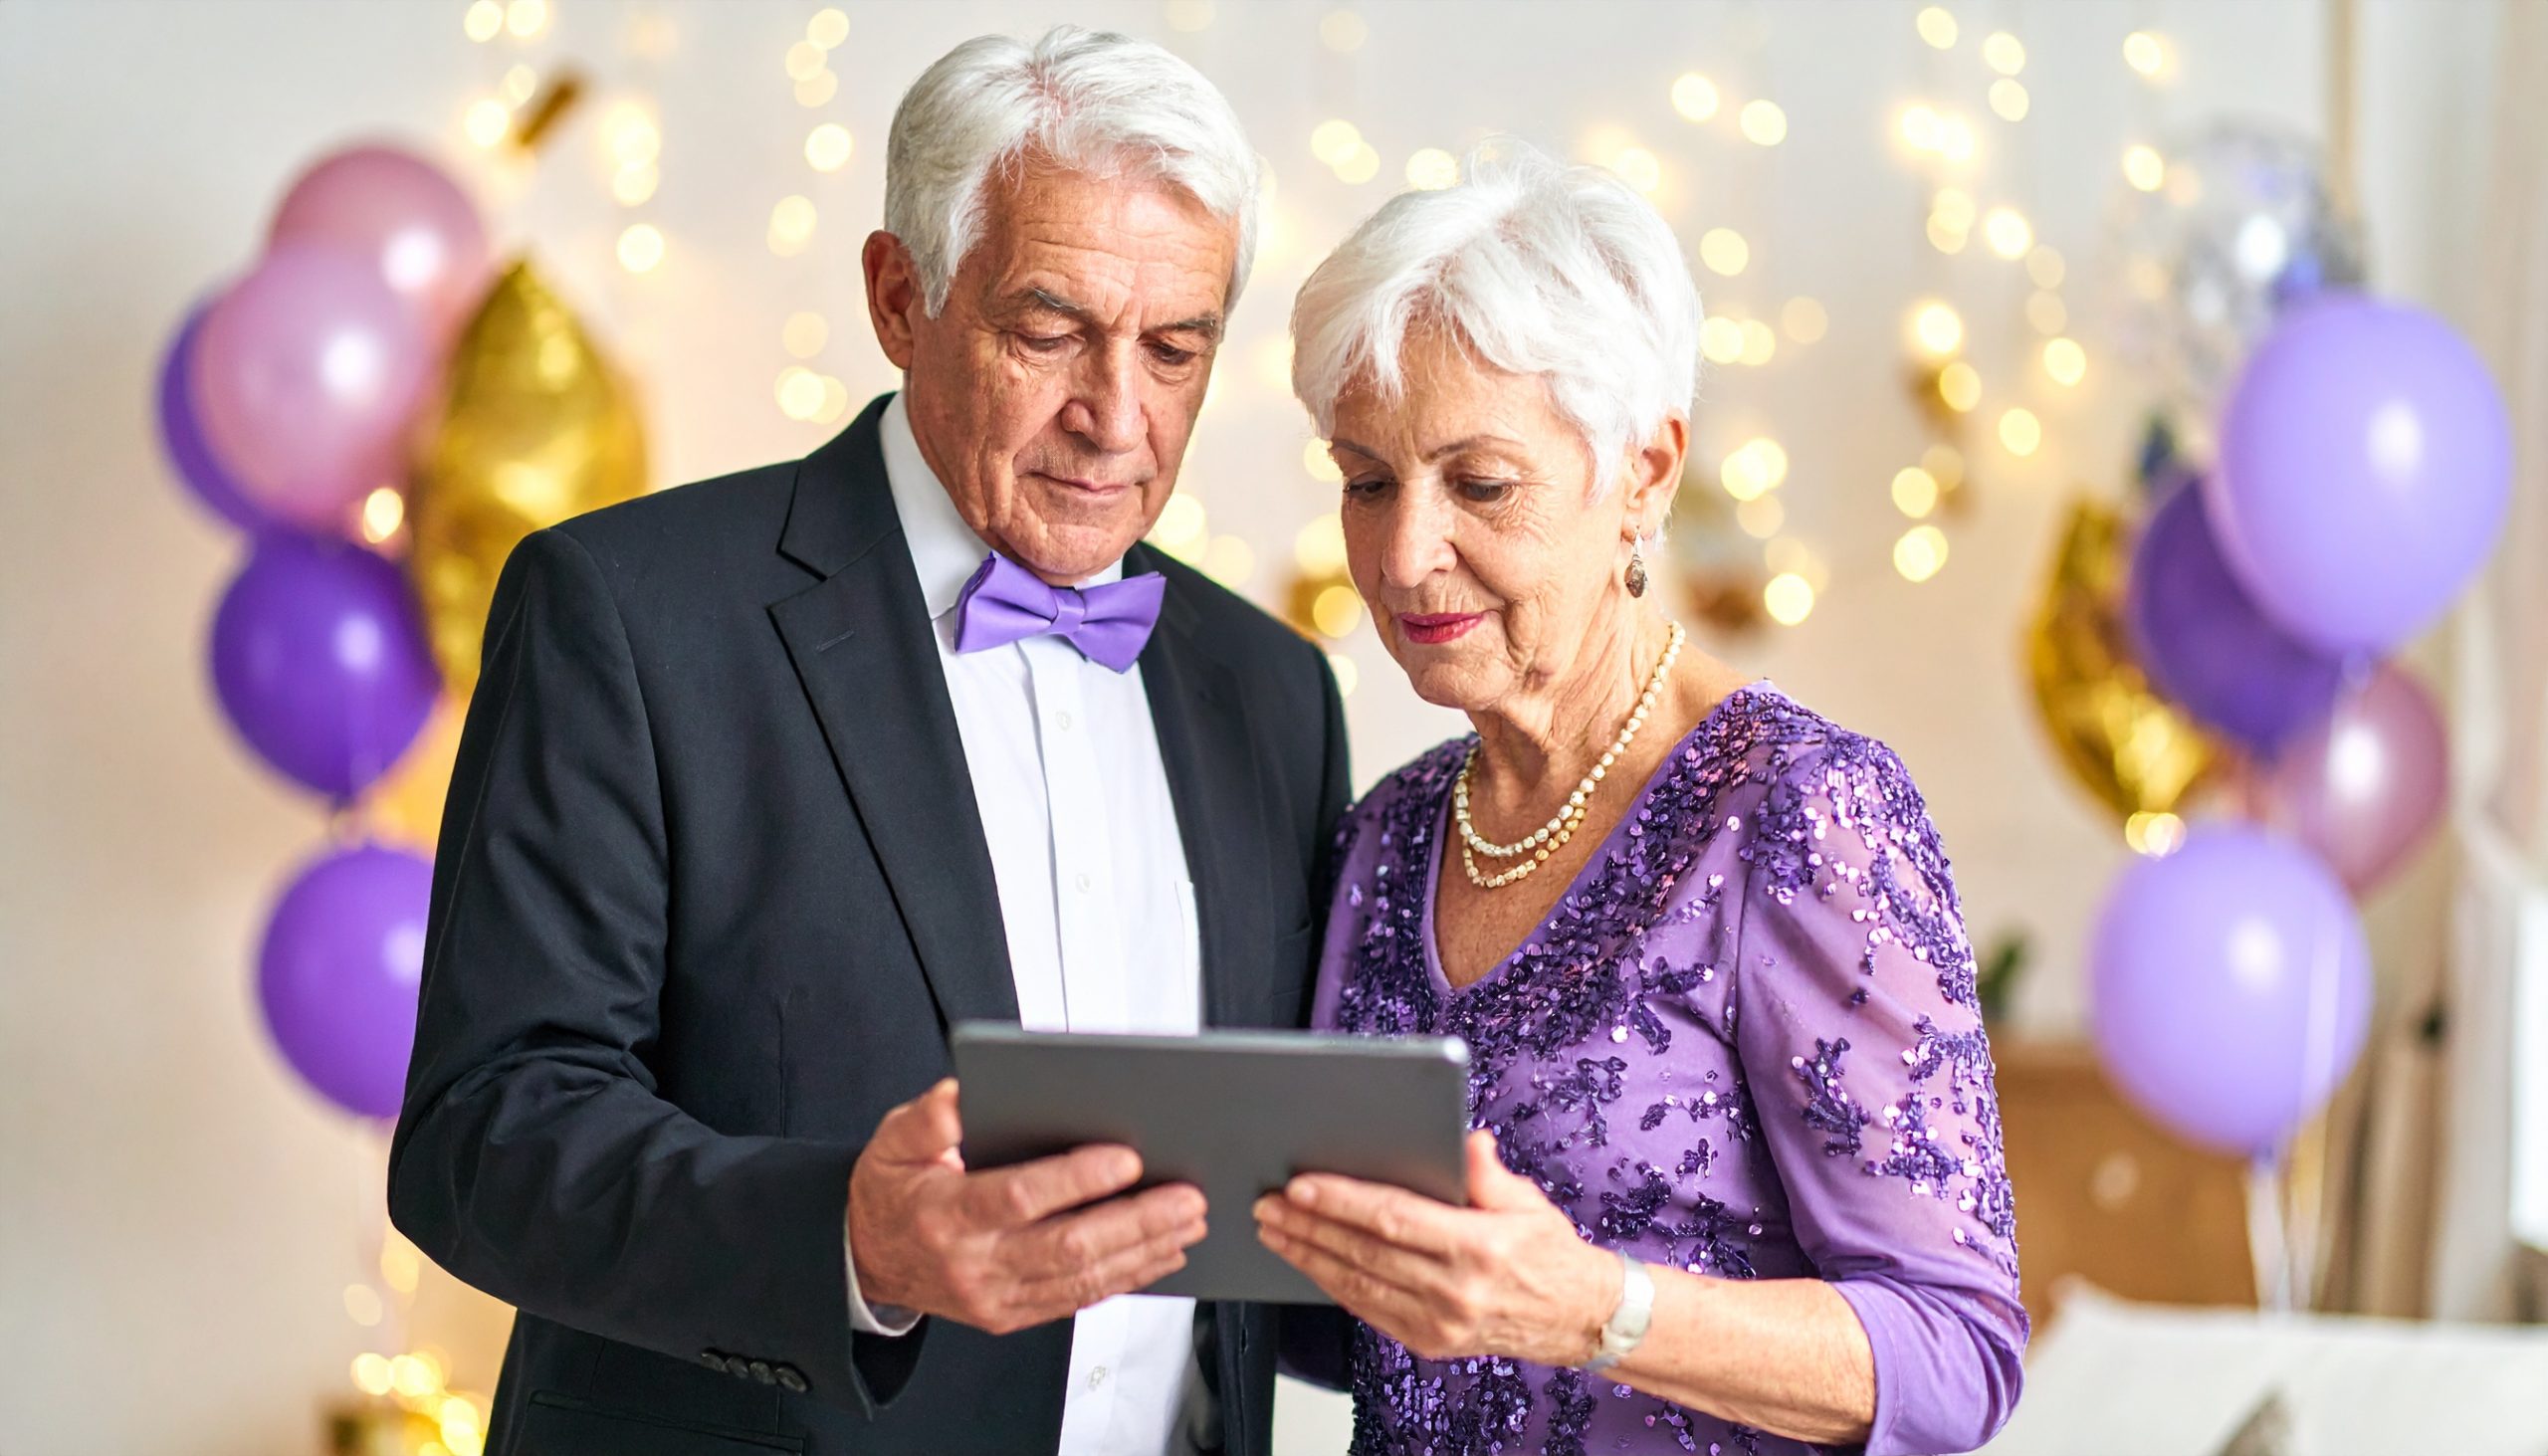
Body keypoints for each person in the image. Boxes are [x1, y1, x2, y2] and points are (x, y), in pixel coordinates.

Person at [388, 27, 1348, 1456]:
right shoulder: (629, 611)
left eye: (1174, 348)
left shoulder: (1273, 686)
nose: (1116, 418)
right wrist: (852, 1243)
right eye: (1048, 329)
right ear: (901, 297)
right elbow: (486, 1132)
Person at [1255, 144, 2025, 1455]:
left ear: (1647, 474)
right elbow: (1363, 1336)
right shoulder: (1386, 836)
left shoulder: (1799, 813)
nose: (1403, 551)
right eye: (1367, 480)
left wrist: (1597, 1310)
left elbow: (1958, 1356)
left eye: (1479, 483)